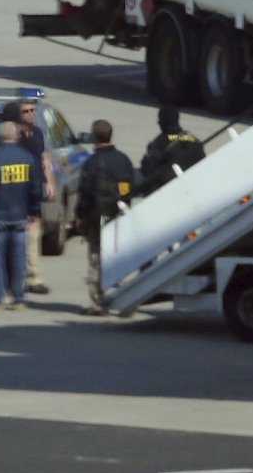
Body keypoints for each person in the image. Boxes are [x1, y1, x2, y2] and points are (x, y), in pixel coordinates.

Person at [75, 119, 134, 316]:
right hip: (118, 216)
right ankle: (126, 299)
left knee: (95, 260)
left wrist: (80, 216)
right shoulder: (124, 160)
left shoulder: (91, 163)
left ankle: (98, 302)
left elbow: (85, 193)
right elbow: (130, 188)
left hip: (95, 218)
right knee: (121, 257)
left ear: (95, 137)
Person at [0, 121, 41, 310]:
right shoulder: (28, 158)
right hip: (20, 215)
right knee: (18, 258)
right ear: (17, 137)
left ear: (0, 137)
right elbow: (35, 188)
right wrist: (33, 212)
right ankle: (19, 298)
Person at [11, 99, 56, 296]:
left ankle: (33, 277)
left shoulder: (37, 133)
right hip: (17, 191)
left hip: (34, 191)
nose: (30, 114)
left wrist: (49, 180)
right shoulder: (13, 136)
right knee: (16, 236)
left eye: (32, 110)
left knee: (33, 235)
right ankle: (13, 278)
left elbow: (44, 157)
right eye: (26, 111)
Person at [137, 105, 205, 196]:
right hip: (193, 187)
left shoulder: (159, 143)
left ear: (163, 122)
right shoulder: (194, 140)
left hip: (165, 189)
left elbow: (147, 169)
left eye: (160, 120)